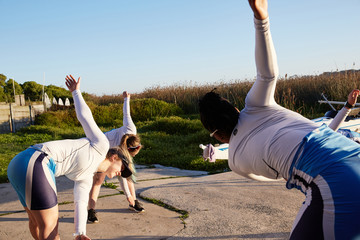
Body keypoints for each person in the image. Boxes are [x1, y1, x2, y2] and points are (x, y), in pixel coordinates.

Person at [198, 1, 360, 239]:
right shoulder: (256, 104)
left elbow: (271, 175)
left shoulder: (235, 160)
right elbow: (268, 74)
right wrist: (261, 19)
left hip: (332, 180)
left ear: (216, 134)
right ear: (234, 108)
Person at [7, 75, 133, 240]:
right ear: (114, 157)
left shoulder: (86, 177)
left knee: (37, 223)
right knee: (51, 227)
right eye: (122, 168)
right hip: (37, 161)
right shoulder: (101, 145)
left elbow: (80, 203)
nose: (120, 173)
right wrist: (76, 93)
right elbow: (85, 118)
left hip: (19, 163)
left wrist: (80, 233)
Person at [87, 91, 144, 224]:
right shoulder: (119, 151)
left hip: (116, 151)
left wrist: (126, 99)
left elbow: (126, 114)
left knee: (129, 174)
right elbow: (121, 177)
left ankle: (133, 203)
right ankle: (91, 210)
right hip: (102, 150)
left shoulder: (131, 128)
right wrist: (128, 195)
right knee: (98, 180)